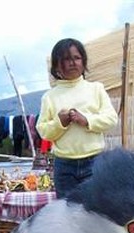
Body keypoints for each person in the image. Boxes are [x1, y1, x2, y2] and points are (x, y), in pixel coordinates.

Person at [36, 38, 118, 198]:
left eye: (77, 58)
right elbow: (43, 131)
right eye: (67, 59)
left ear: (84, 61)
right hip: (64, 165)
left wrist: (87, 120)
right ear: (57, 66)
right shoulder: (50, 97)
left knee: (96, 208)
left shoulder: (96, 89)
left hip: (94, 162)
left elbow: (111, 119)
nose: (73, 63)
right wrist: (60, 123)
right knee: (67, 210)